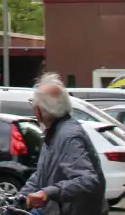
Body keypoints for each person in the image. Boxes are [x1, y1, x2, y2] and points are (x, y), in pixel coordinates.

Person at [18, 73, 107, 215]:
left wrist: (49, 192)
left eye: (33, 104)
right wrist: (19, 200)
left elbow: (88, 180)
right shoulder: (53, 133)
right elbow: (42, 175)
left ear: (40, 111)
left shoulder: (68, 136)